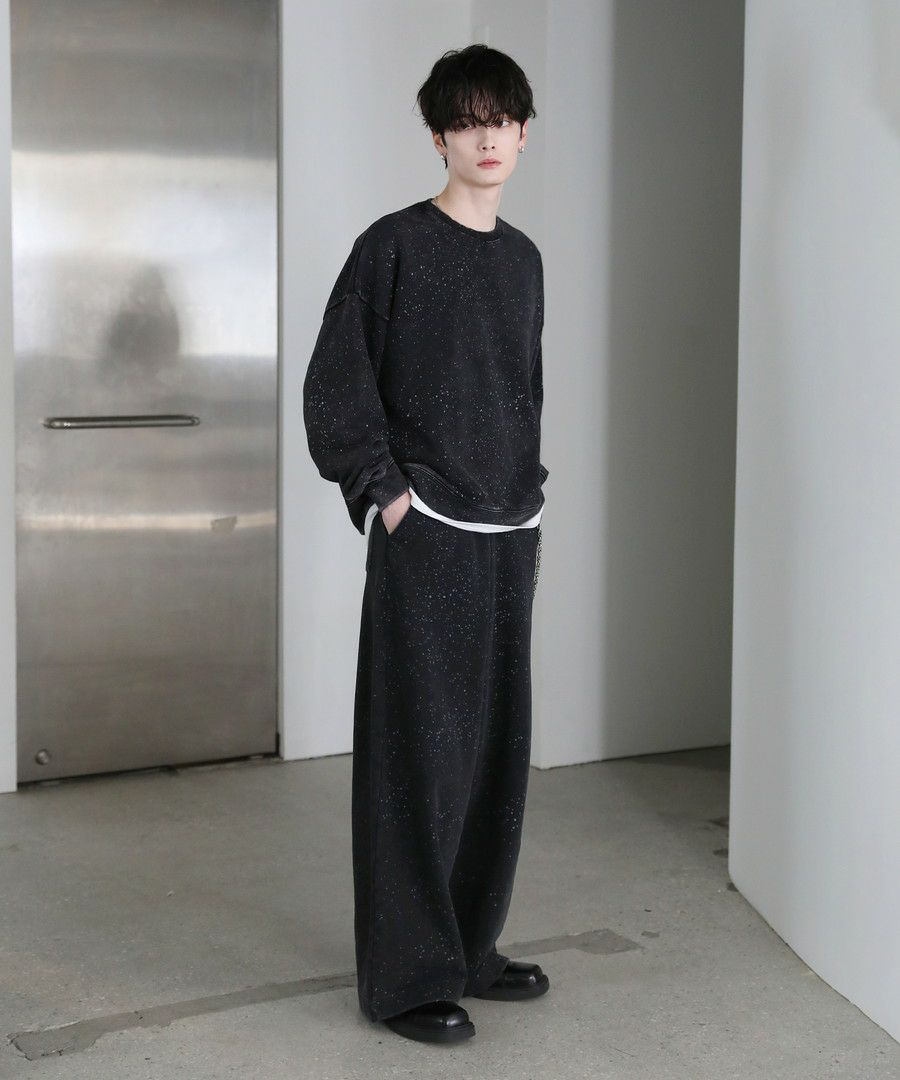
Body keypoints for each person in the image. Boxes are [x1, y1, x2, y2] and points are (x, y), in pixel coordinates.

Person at [302, 43, 549, 1044]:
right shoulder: (394, 247)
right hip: (429, 533)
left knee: (493, 754)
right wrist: (385, 495)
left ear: (523, 134)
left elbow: (520, 392)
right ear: (439, 136)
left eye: (503, 121)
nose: (487, 138)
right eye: (468, 121)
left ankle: (467, 947)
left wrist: (529, 500)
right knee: (418, 757)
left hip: (509, 532)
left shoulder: (523, 260)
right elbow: (336, 382)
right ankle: (406, 981)